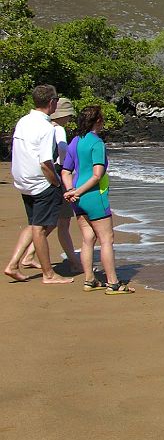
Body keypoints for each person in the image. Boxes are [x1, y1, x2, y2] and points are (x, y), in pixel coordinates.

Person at [4, 84, 73, 283]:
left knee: (35, 224)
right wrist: (57, 183)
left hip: (22, 180)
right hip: (40, 182)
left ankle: (14, 264)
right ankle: (48, 274)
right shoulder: (45, 127)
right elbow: (45, 163)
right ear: (52, 102)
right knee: (41, 229)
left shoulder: (23, 121)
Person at [62, 104, 134, 293]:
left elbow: (65, 171)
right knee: (106, 239)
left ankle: (89, 280)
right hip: (94, 196)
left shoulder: (75, 141)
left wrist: (71, 190)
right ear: (98, 121)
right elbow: (96, 175)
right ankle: (113, 283)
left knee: (87, 239)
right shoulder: (97, 143)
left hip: (77, 197)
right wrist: (77, 192)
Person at [17, 96, 78, 272]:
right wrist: (63, 180)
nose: (69, 118)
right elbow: (60, 156)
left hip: (37, 177)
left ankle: (26, 256)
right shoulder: (57, 130)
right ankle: (74, 262)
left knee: (42, 222)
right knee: (60, 222)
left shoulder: (36, 124)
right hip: (56, 175)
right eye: (68, 115)